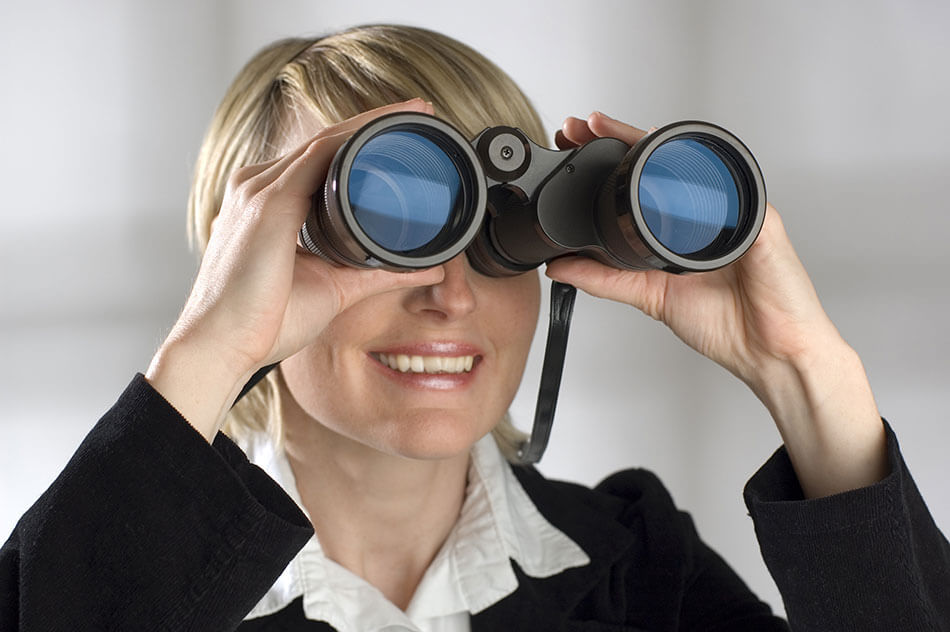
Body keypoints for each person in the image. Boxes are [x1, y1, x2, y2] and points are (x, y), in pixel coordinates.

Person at [1, 24, 947, 632]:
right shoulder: (143, 578)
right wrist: (207, 350)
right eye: (389, 229)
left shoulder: (636, 570)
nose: (449, 294)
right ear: (245, 261)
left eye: (498, 237)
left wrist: (803, 366)